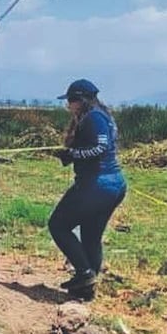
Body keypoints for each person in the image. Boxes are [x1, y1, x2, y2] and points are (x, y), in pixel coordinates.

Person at [47, 79, 126, 295]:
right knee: (91, 235)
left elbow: (100, 147)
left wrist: (73, 154)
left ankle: (84, 273)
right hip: (111, 185)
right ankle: (87, 287)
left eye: (71, 100)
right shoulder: (102, 116)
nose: (68, 105)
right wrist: (70, 155)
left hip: (97, 184)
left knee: (58, 225)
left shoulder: (94, 118)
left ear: (80, 100)